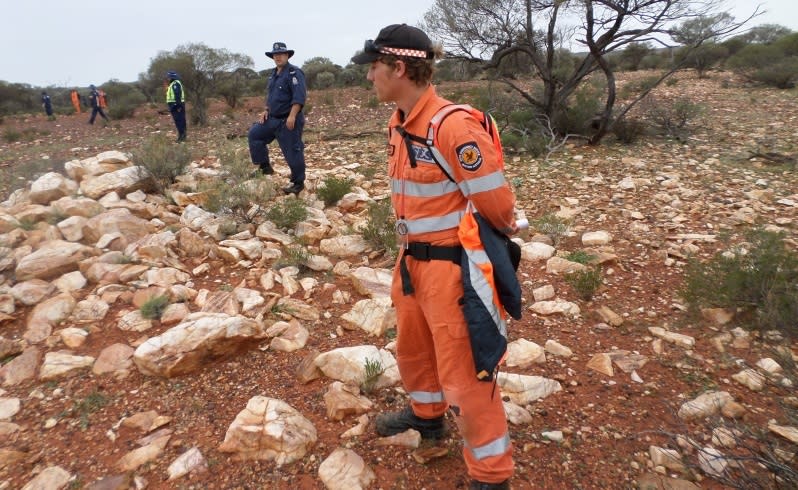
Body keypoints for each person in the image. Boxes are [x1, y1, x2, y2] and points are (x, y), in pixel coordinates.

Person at [352, 24, 518, 490]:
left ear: (399, 68)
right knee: (415, 350)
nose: (370, 78)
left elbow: (499, 207)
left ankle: (491, 475)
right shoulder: (400, 121)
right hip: (412, 264)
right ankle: (428, 417)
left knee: (466, 375)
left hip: (451, 271)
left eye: (375, 68)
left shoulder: (453, 125)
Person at [247, 41, 307, 194]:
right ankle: (264, 167)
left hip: (288, 119)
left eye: (281, 54)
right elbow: (272, 96)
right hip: (272, 118)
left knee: (293, 151)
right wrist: (266, 110)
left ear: (287, 55)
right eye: (275, 55)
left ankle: (298, 183)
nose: (278, 57)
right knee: (255, 134)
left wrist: (292, 116)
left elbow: (299, 97)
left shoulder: (295, 73)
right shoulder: (273, 74)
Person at [165, 71, 187, 142]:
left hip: (176, 105)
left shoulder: (175, 84)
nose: (167, 78)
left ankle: (182, 137)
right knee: (180, 121)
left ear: (171, 77)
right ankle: (182, 136)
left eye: (168, 77)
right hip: (176, 105)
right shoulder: (173, 84)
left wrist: (178, 106)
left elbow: (177, 95)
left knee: (179, 121)